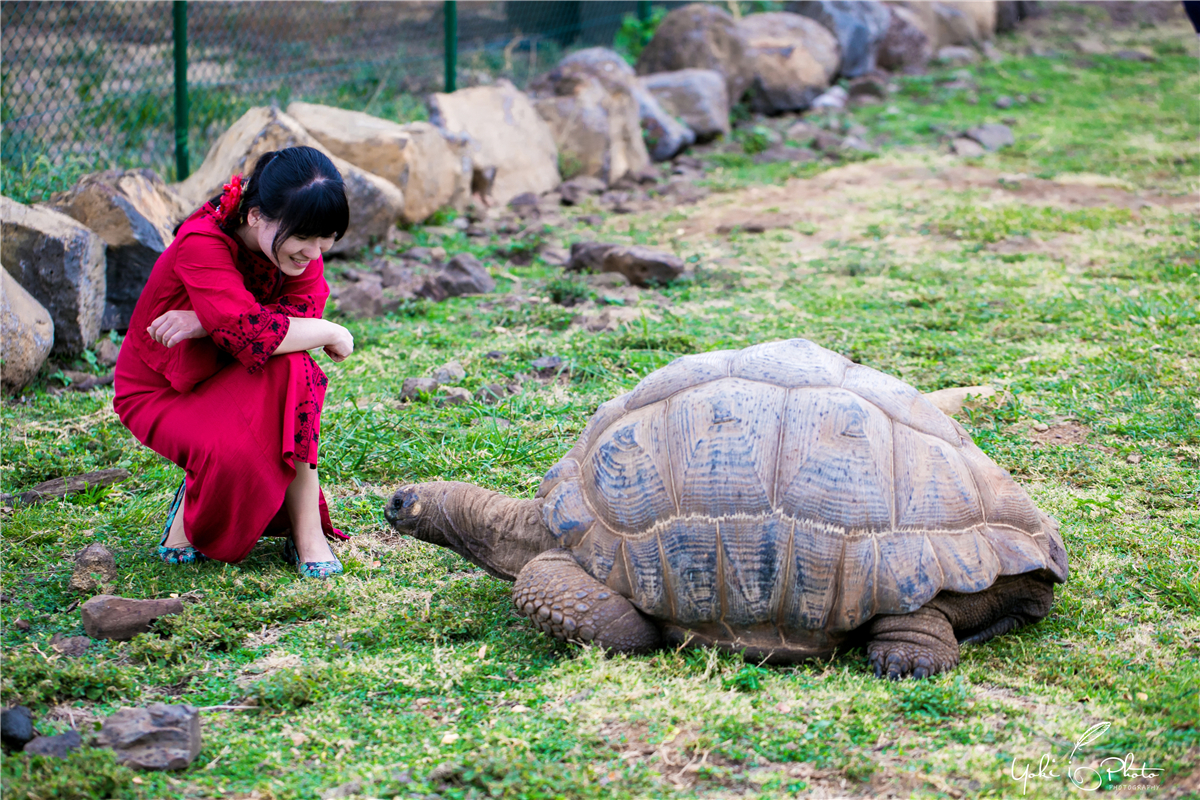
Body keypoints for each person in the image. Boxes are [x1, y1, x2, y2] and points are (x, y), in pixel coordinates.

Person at [113, 146, 354, 578]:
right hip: (163, 390)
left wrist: (211, 321)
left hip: (241, 372)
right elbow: (268, 331)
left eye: (326, 239)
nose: (313, 254)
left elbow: (287, 324)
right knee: (285, 366)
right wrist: (335, 331)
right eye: (303, 237)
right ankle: (195, 499)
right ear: (256, 215)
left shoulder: (300, 254)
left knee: (295, 366)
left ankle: (307, 531)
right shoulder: (202, 240)